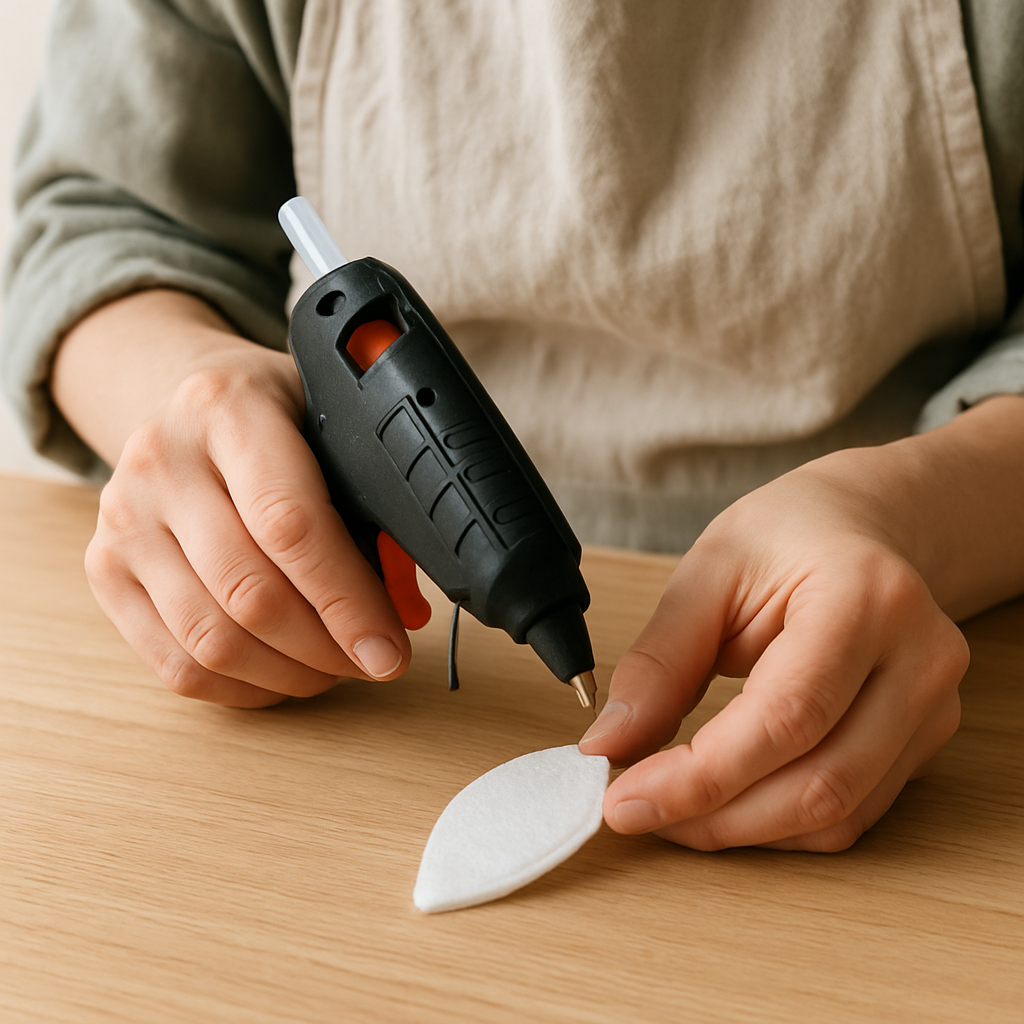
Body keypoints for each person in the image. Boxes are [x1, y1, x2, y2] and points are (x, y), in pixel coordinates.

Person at [4, 0, 1024, 853]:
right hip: (404, 708)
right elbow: (104, 218)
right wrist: (190, 392)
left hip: (938, 641)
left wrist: (913, 515)